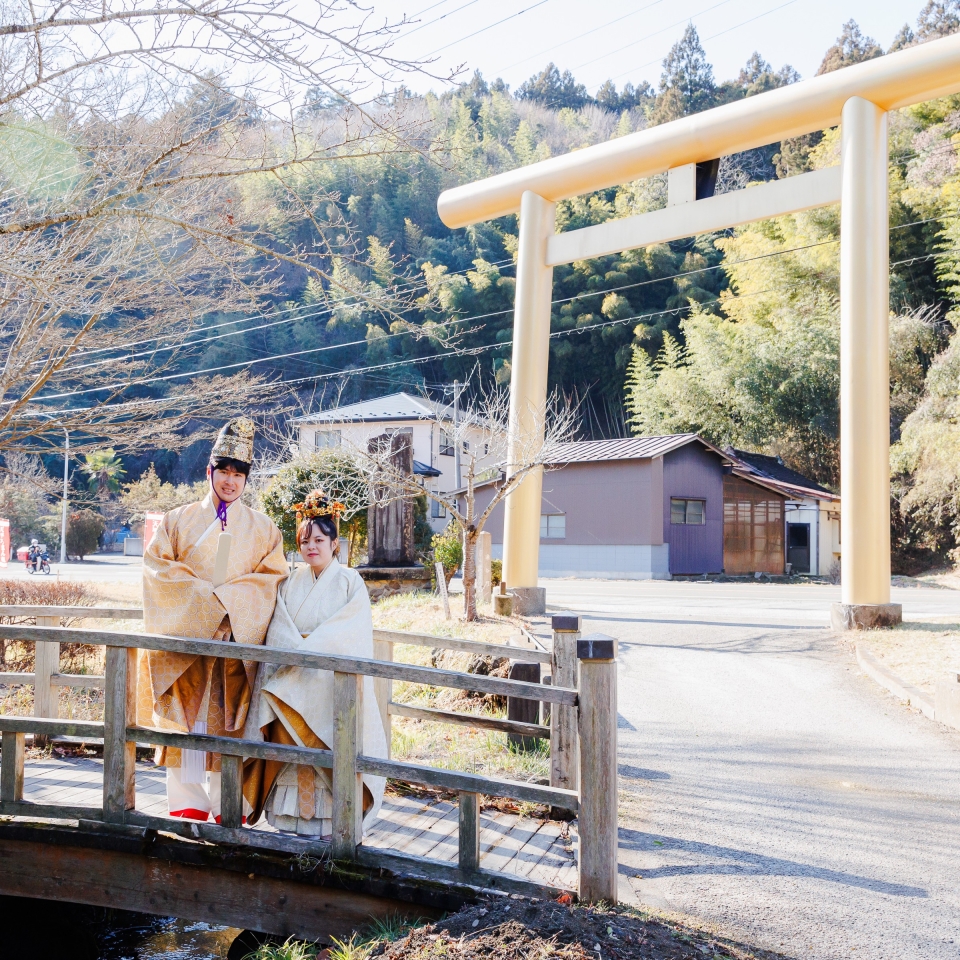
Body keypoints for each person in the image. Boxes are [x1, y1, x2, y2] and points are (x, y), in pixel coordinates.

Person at [137, 417, 288, 822]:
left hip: (235, 646)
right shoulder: (177, 520)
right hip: (188, 642)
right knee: (189, 724)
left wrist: (230, 606)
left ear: (246, 481)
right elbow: (157, 570)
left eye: (239, 474)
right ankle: (188, 807)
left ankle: (227, 808)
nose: (231, 481)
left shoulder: (265, 529)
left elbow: (271, 579)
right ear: (210, 471)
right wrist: (207, 603)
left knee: (231, 726)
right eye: (224, 470)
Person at [242, 489, 387, 838]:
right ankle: (286, 820)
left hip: (327, 681)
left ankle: (332, 823)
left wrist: (309, 651)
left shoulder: (350, 582)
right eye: (305, 541)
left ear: (335, 543)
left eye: (320, 540)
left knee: (330, 747)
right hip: (292, 677)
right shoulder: (290, 583)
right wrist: (295, 651)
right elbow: (278, 626)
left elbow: (350, 629)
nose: (312, 547)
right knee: (291, 754)